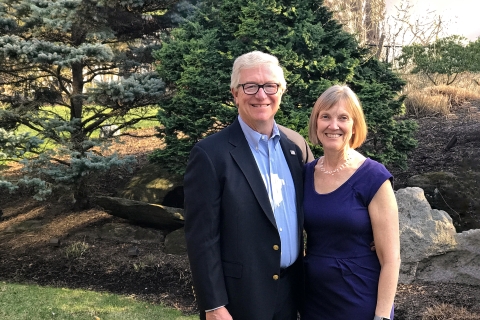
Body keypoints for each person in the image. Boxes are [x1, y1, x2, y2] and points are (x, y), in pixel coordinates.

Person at [183, 51, 313, 320]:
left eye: (270, 86)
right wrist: (213, 305)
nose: (261, 94)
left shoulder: (296, 146)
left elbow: (320, 203)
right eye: (250, 86)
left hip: (292, 294)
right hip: (239, 301)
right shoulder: (210, 154)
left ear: (281, 91)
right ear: (235, 94)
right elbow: (202, 238)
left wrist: (362, 234)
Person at [302, 85, 401, 320]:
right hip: (313, 302)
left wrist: (382, 316)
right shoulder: (305, 174)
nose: (333, 125)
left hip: (360, 301)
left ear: (354, 125)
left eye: (343, 118)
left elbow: (391, 259)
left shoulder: (373, 177)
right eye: (325, 116)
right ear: (316, 122)